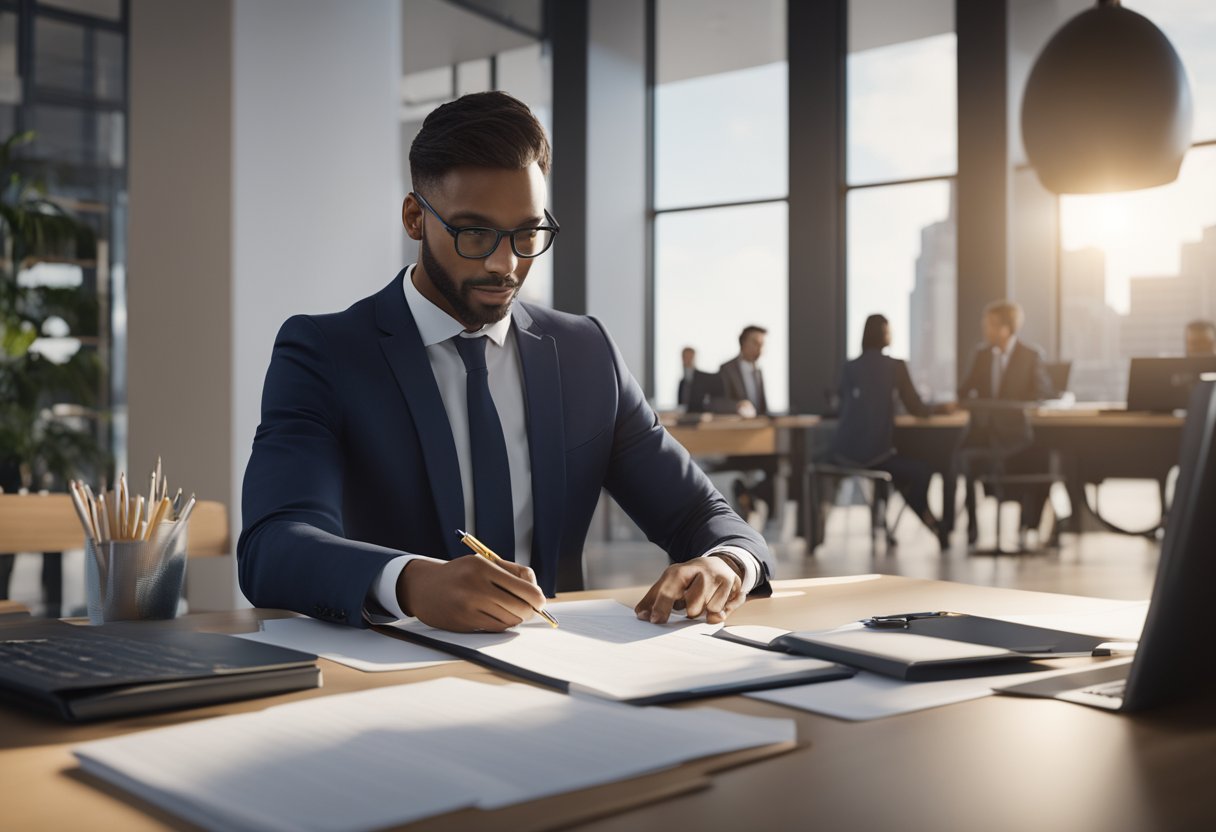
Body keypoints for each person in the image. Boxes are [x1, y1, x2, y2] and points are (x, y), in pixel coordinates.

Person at [238, 92, 771, 634]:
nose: (505, 263)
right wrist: (411, 583)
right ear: (415, 218)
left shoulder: (586, 353)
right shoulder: (325, 352)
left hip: (560, 672)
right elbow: (273, 544)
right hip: (388, 673)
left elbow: (704, 517)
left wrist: (727, 562)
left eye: (526, 233)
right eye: (474, 233)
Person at [826, 314, 953, 547]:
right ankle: (931, 521)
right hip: (876, 454)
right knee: (919, 472)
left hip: (843, 452)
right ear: (884, 334)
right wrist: (945, 407)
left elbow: (841, 406)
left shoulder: (849, 367)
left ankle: (900, 523)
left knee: (902, 473)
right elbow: (918, 408)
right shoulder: (896, 366)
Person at [952, 300, 1054, 546]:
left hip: (1017, 436)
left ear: (1005, 328)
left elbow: (1043, 392)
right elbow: (964, 390)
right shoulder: (981, 355)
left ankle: (1027, 524)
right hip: (985, 434)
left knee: (1044, 459)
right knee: (959, 457)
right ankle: (970, 527)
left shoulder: (1031, 356)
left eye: (989, 325)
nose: (984, 330)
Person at [719, 326, 768, 417]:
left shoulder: (758, 371)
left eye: (762, 344)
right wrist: (738, 405)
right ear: (743, 343)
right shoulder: (727, 369)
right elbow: (719, 402)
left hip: (758, 426)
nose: (759, 348)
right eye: (755, 343)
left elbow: (762, 406)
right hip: (735, 426)